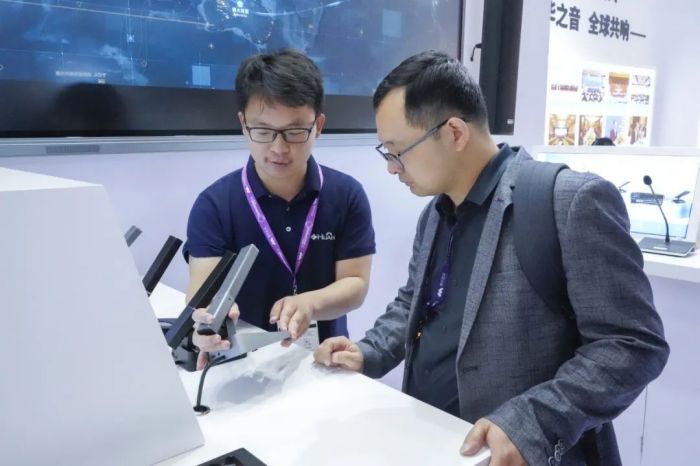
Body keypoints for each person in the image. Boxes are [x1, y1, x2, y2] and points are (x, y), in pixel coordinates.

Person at [313, 51, 669, 466]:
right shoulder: (435, 213)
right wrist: (368, 351)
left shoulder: (568, 201)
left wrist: (533, 421)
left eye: (397, 151)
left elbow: (632, 344)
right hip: (435, 443)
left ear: (454, 132)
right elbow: (416, 304)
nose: (392, 168)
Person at [184, 49, 375, 369]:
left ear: (318, 126)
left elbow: (356, 284)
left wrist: (310, 303)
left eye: (295, 131)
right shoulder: (214, 205)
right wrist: (205, 325)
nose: (278, 148)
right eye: (263, 131)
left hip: (324, 362)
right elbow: (201, 297)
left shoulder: (346, 195)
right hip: (241, 366)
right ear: (243, 124)